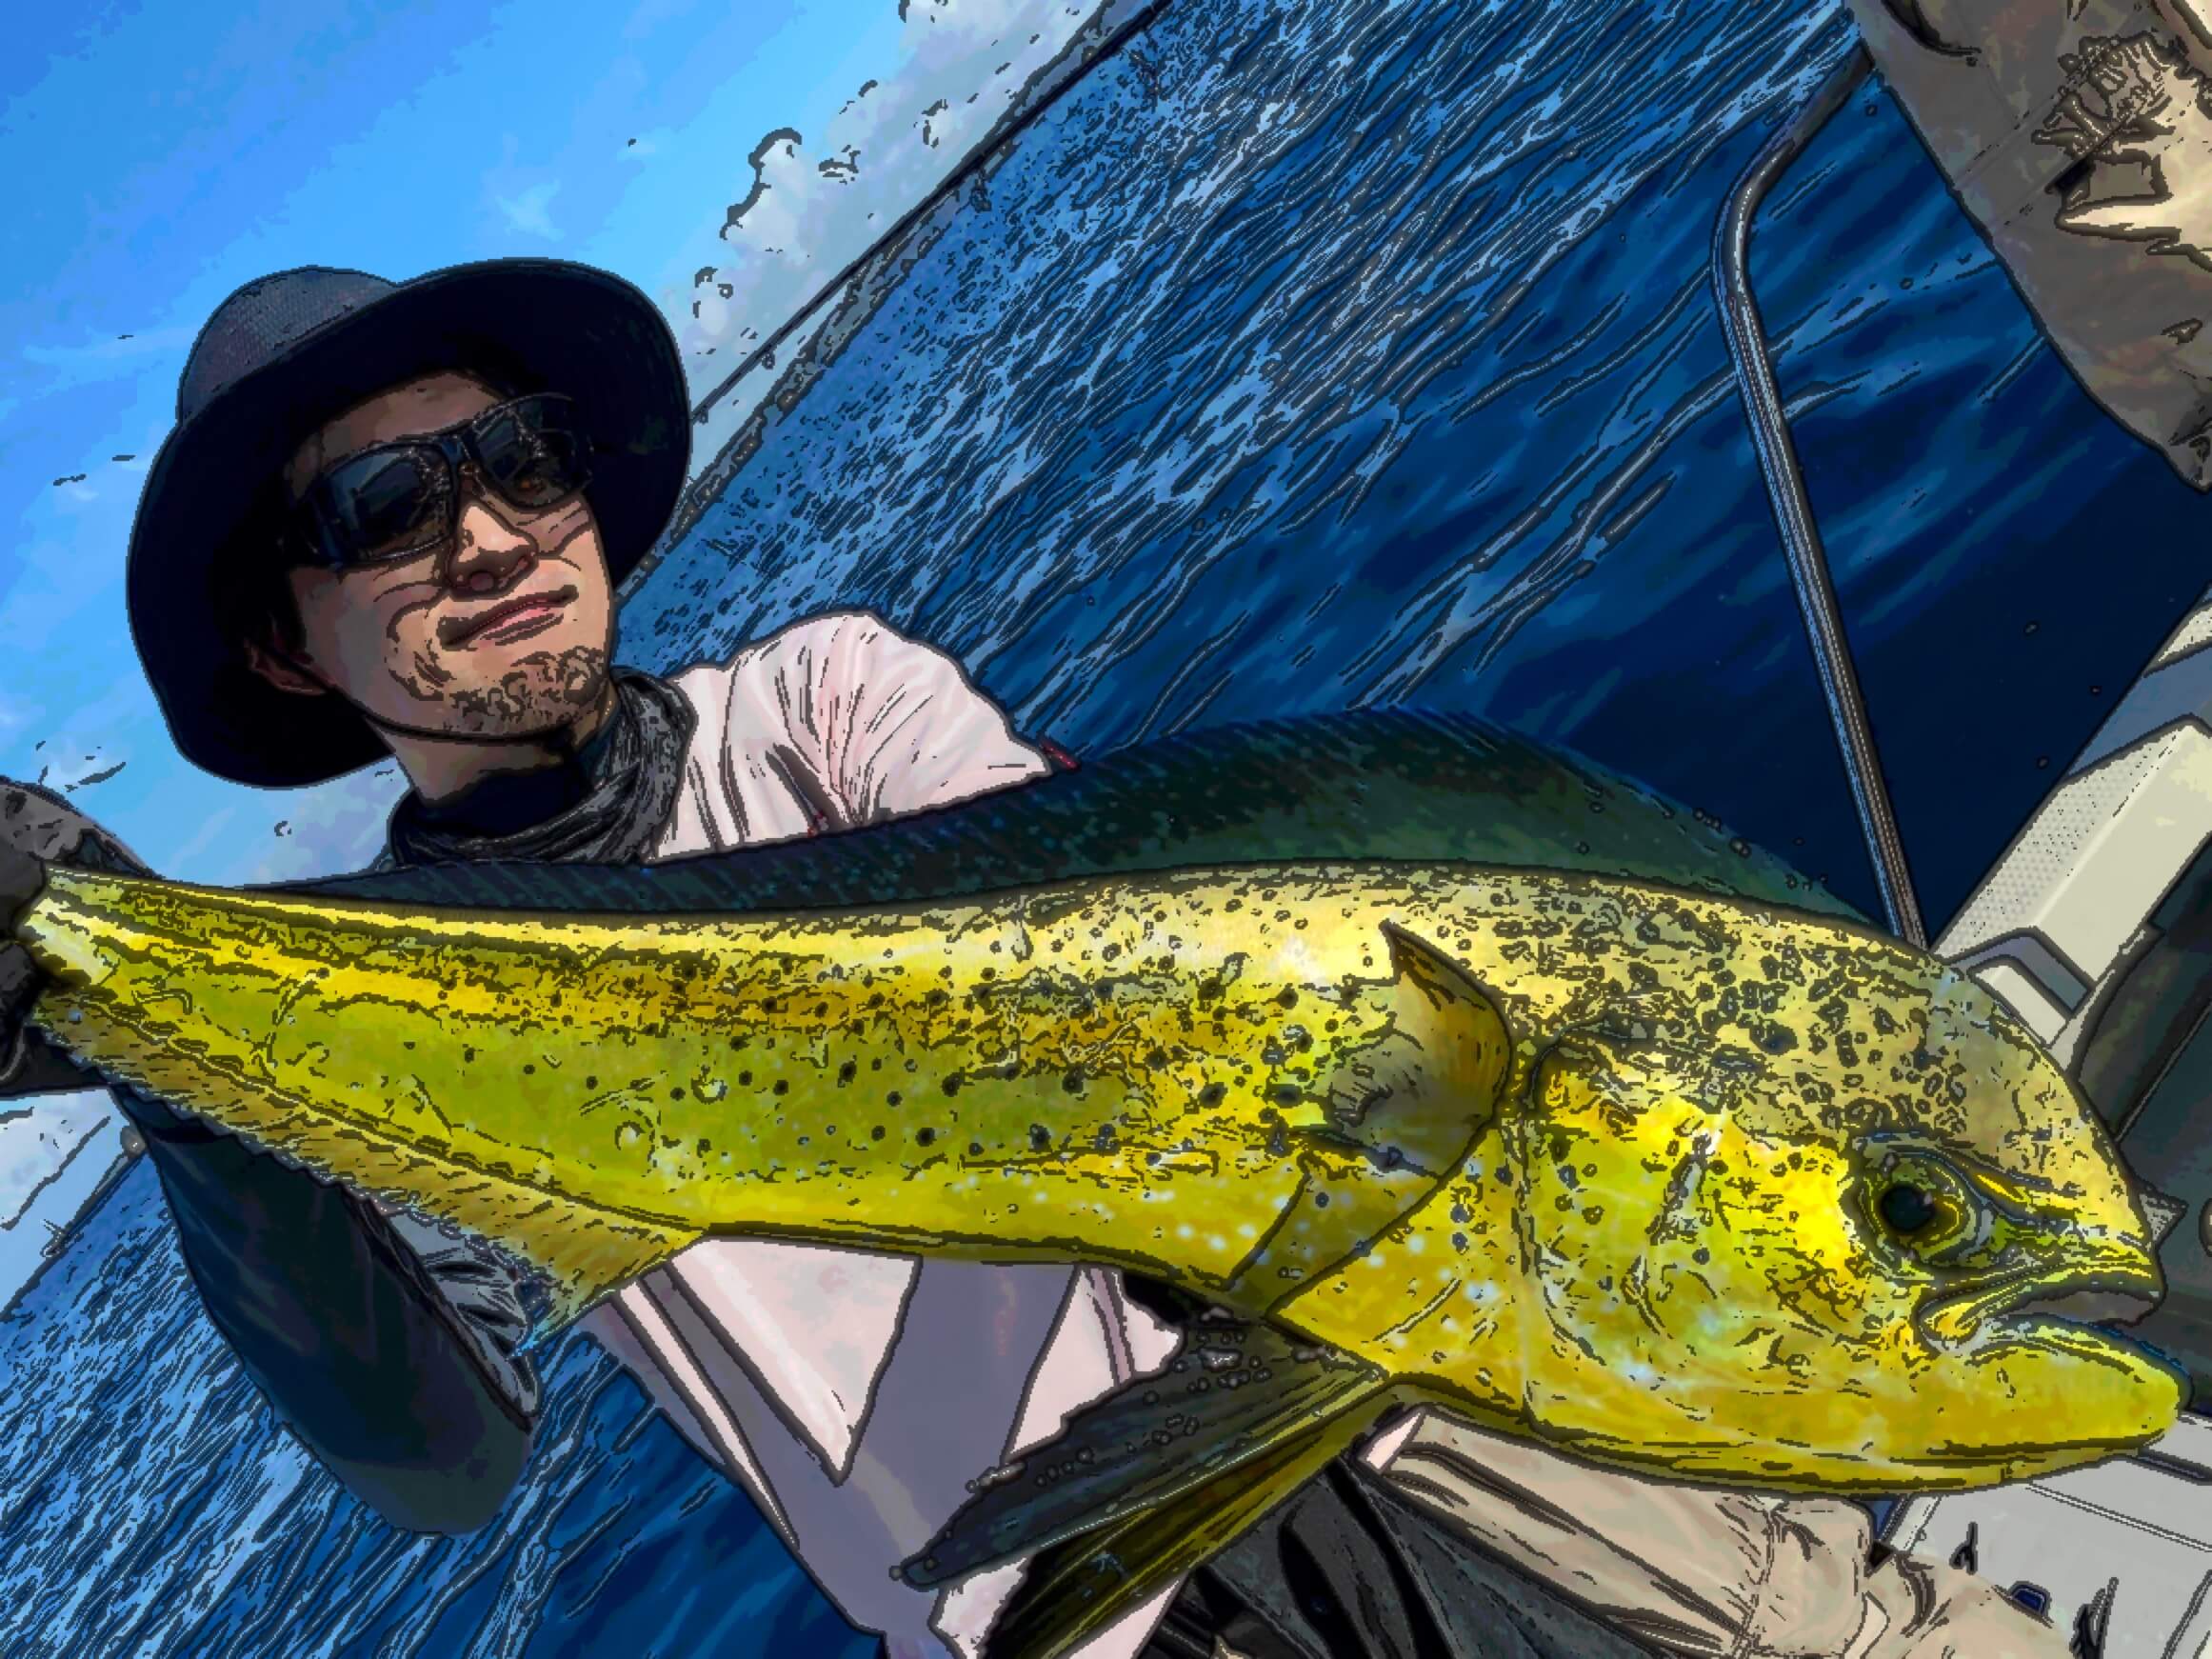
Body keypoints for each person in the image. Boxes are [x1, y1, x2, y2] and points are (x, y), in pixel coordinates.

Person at [0, 258, 2072, 1659]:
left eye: (516, 456)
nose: (487, 530)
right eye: (383, 502)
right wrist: (163, 1058)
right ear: (285, 636)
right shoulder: (345, 1020)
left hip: (1424, 1442)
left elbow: (1137, 954)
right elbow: (444, 1463)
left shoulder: (819, 703)